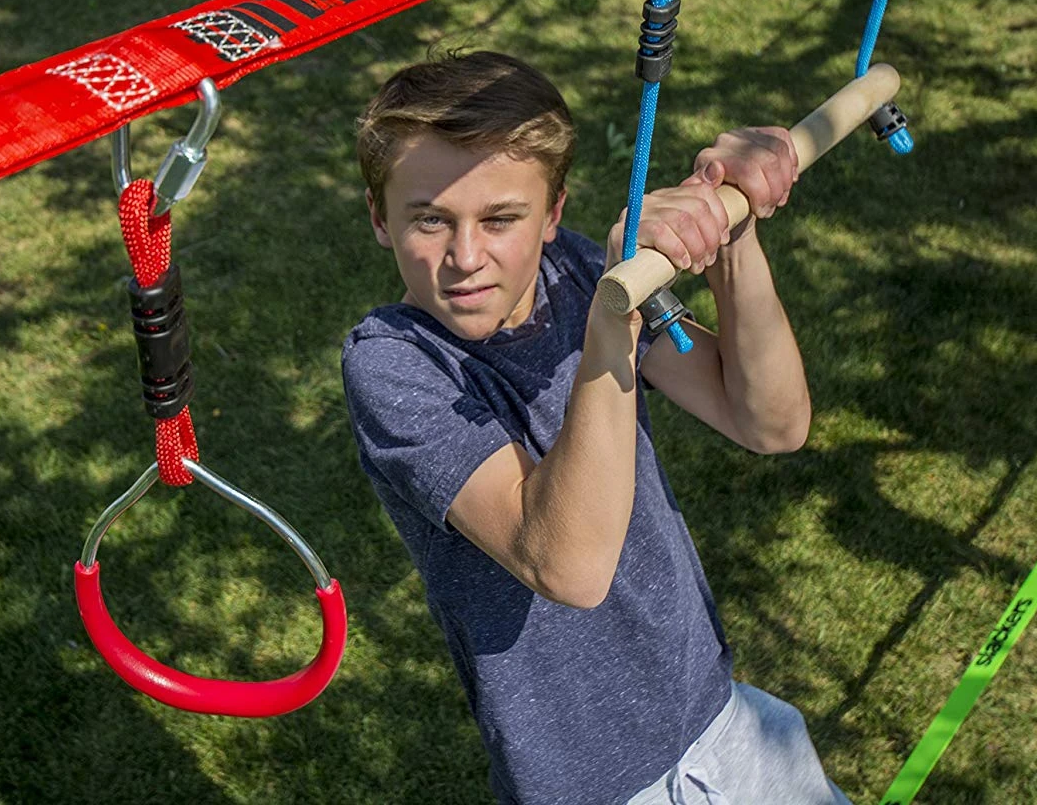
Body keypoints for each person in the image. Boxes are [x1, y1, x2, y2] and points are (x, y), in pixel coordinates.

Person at [340, 50, 851, 805]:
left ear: (553, 214)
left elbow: (769, 421)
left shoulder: (574, 272)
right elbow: (568, 567)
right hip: (595, 783)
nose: (466, 257)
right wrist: (613, 324)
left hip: (716, 716)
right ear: (380, 219)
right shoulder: (394, 365)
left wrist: (730, 231)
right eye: (430, 219)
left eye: (501, 219)